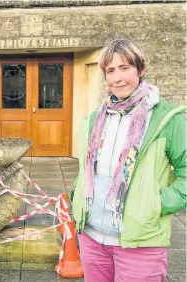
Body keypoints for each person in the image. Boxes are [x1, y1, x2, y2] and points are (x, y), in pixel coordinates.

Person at [70, 39, 186, 282]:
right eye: (110, 70)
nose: (117, 78)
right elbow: (88, 171)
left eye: (125, 68)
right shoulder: (94, 119)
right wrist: (76, 198)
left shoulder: (168, 118)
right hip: (92, 238)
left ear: (140, 70)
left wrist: (154, 205)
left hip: (140, 241)